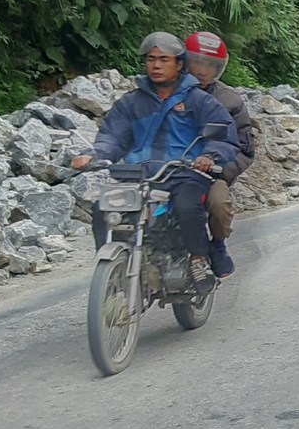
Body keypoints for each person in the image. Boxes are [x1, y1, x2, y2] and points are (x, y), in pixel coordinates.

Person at [70, 32, 240, 282]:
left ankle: (198, 259)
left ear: (179, 64)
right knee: (102, 208)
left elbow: (223, 136)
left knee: (187, 206)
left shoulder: (199, 100)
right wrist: (93, 154)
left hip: (184, 174)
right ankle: (115, 268)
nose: (156, 65)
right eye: (151, 59)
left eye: (164, 59)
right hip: (139, 176)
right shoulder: (131, 102)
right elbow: (113, 137)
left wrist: (209, 156)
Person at [182, 30, 255, 277]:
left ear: (218, 69)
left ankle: (218, 245)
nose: (202, 70)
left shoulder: (230, 100)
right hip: (167, 168)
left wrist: (220, 171)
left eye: (210, 65)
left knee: (219, 203)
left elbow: (245, 148)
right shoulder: (167, 91)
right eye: (197, 61)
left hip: (210, 172)